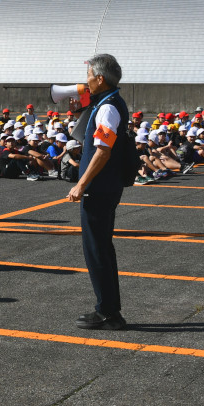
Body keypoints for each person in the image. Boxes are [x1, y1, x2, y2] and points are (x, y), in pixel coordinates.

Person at [66, 53, 129, 331]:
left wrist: (82, 184)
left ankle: (108, 311)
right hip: (105, 186)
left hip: (99, 188)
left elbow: (102, 151)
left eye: (89, 76)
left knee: (97, 249)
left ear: (100, 79)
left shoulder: (108, 108)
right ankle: (108, 308)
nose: (86, 82)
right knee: (101, 247)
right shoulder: (106, 102)